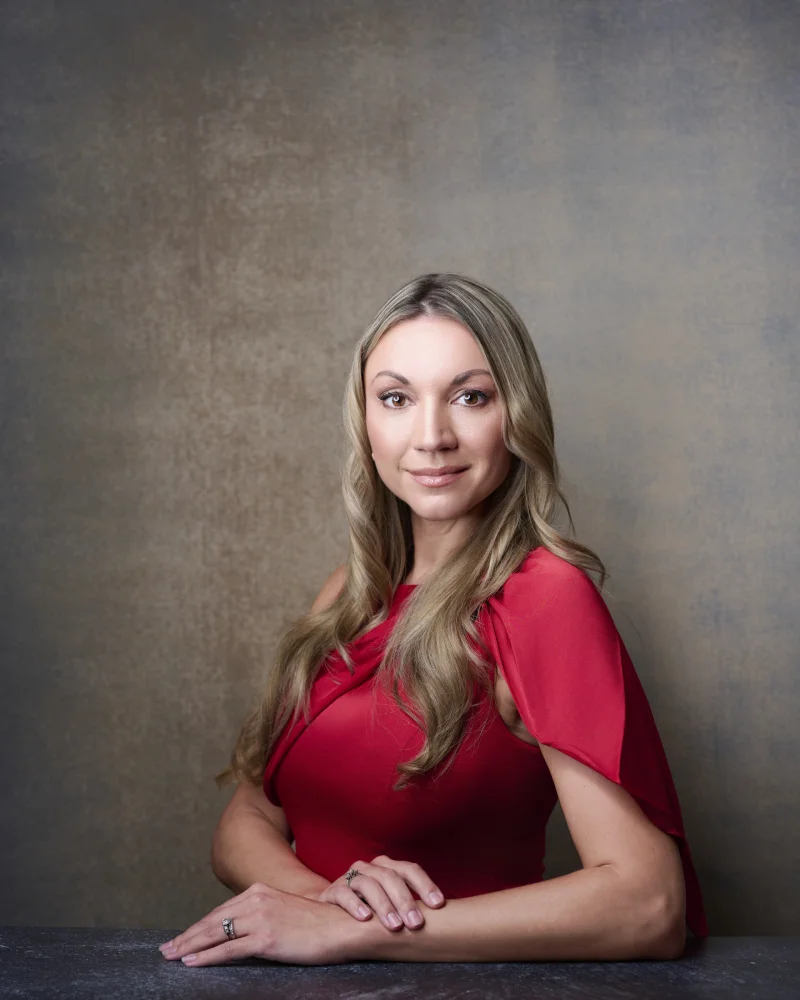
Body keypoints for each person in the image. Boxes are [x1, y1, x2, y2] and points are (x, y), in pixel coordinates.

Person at [159, 272, 708, 967]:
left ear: (518, 415)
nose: (432, 436)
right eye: (396, 398)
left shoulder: (545, 597)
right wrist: (325, 904)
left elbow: (649, 906)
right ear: (366, 422)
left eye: (470, 397)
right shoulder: (349, 594)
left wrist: (360, 932)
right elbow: (245, 821)